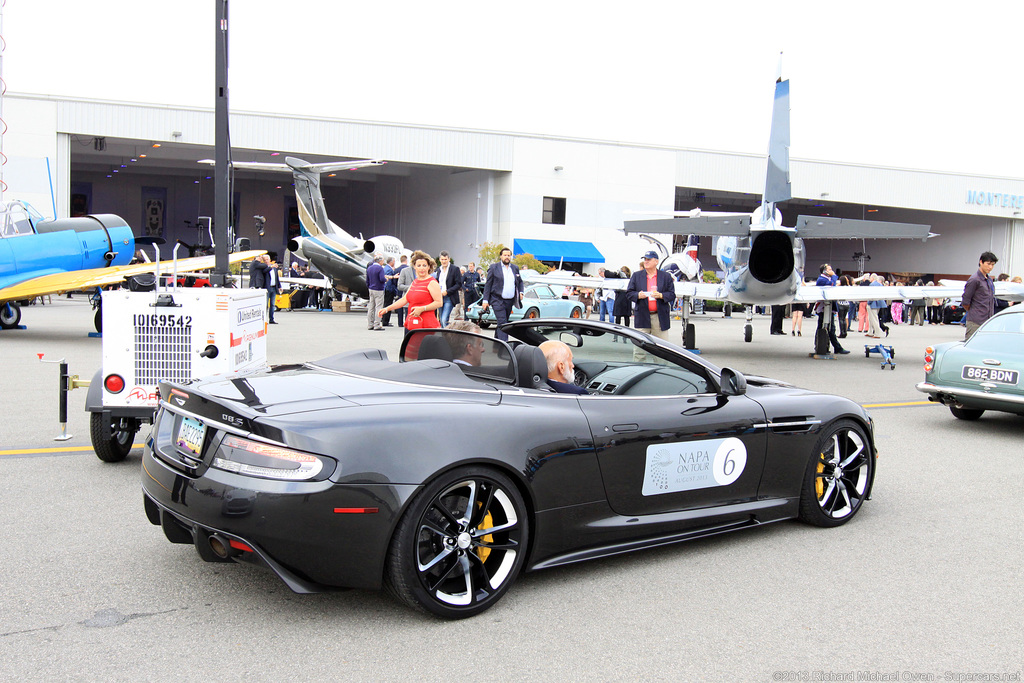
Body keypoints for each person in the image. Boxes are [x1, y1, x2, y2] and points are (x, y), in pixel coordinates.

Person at [379, 250, 443, 330]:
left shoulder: (432, 282)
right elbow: (404, 300)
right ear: (414, 267)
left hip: (426, 325)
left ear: (429, 267)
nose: (422, 268)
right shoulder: (414, 282)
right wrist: (387, 309)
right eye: (419, 265)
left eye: (424, 265)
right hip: (412, 323)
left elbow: (439, 303)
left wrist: (422, 308)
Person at [625, 251, 676, 343]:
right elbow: (629, 293)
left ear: (656, 261)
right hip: (642, 316)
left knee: (662, 348)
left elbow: (672, 294)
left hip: (659, 317)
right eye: (645, 259)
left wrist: (661, 295)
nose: (646, 261)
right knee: (639, 348)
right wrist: (638, 295)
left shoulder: (665, 276)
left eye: (649, 259)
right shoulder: (637, 276)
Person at [481, 247, 524, 341]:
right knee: (503, 323)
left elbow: (520, 282)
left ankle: (496, 345)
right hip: (497, 300)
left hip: (509, 301)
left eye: (508, 255)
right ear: (501, 256)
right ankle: (505, 346)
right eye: (505, 255)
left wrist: (521, 292)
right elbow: (488, 285)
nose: (507, 257)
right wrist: (485, 300)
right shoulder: (494, 267)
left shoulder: (515, 268)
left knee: (502, 324)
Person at [813, 263, 850, 354]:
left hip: (828, 308)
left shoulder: (826, 279)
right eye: (829, 269)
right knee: (827, 328)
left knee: (828, 328)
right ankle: (834, 347)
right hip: (823, 308)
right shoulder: (822, 279)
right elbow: (831, 285)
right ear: (825, 271)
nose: (831, 271)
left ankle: (825, 346)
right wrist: (834, 276)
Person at [962, 251, 998, 341]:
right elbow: (965, 302)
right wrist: (975, 312)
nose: (990, 267)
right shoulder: (974, 280)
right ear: (981, 262)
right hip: (975, 322)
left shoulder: (989, 280)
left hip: (988, 322)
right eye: (988, 264)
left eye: (992, 264)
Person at [250, 254, 280, 324]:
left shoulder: (274, 268)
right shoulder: (263, 267)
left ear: (269, 260)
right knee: (265, 305)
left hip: (273, 288)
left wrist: (279, 286)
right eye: (264, 260)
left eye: (267, 260)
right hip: (267, 288)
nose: (266, 261)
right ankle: (264, 320)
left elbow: (276, 278)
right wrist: (270, 266)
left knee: (272, 305)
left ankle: (271, 319)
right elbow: (264, 271)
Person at [435, 250, 463, 327]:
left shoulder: (454, 269)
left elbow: (458, 284)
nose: (444, 261)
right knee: (441, 319)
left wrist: (447, 291)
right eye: (442, 259)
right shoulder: (438, 270)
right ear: (440, 260)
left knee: (444, 319)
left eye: (445, 259)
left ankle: (447, 336)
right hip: (439, 297)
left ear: (449, 259)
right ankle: (444, 335)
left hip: (449, 297)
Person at [365, 254, 387, 331]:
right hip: (379, 289)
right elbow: (381, 278)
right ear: (380, 261)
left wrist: (369, 286)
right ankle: (377, 324)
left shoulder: (369, 268)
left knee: (371, 307)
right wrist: (386, 279)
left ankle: (370, 324)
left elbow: (367, 280)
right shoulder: (380, 268)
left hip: (371, 288)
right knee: (379, 306)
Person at [395, 254, 413, 327]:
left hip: (421, 302)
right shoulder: (405, 271)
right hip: (407, 299)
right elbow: (399, 285)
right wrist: (412, 287)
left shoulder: (424, 271)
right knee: (408, 322)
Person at [866, 274, 885, 339]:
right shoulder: (880, 284)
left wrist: (869, 302)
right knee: (872, 318)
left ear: (872, 278)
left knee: (873, 318)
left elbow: (870, 295)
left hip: (873, 303)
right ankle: (870, 332)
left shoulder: (872, 285)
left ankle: (877, 333)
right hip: (879, 303)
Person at [381, 256, 398, 327]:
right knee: (388, 305)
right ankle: (385, 321)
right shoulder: (389, 269)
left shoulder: (385, 268)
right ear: (391, 262)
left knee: (385, 304)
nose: (394, 263)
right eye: (394, 261)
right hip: (388, 290)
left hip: (386, 289)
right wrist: (391, 290)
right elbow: (388, 281)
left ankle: (384, 320)